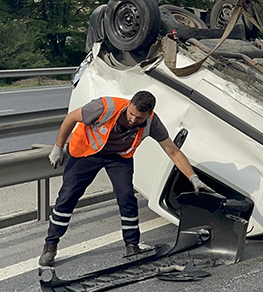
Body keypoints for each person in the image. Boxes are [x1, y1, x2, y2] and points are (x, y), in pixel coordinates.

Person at [39, 90, 214, 266]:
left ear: (148, 114)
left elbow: (172, 150)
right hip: (86, 152)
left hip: (119, 156)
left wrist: (193, 178)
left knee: (127, 198)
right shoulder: (104, 107)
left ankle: (132, 245)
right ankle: (50, 245)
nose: (133, 120)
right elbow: (71, 117)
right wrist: (58, 147)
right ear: (129, 105)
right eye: (132, 114)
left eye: (139, 118)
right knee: (68, 196)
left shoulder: (152, 122)